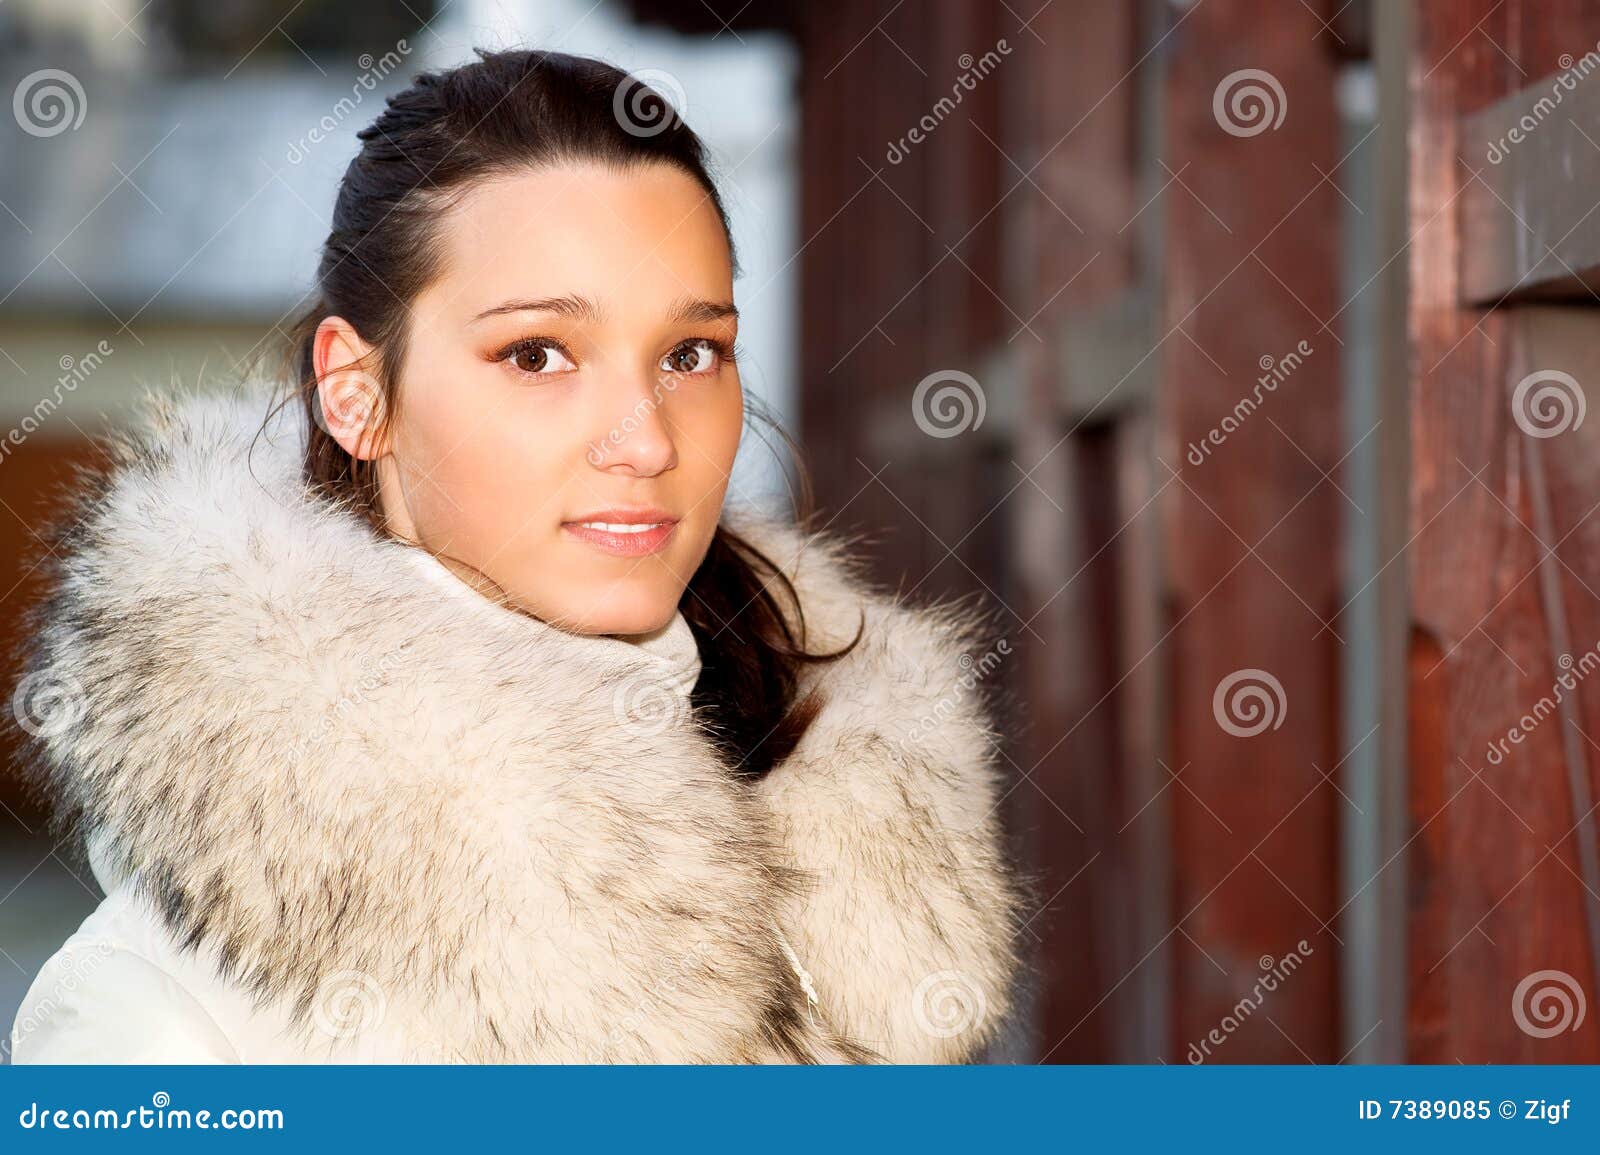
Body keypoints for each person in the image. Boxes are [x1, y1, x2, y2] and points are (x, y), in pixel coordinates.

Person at [8, 47, 1024, 1064]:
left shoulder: (836, 836)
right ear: (356, 392)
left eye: (690, 354)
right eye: (536, 354)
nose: (647, 442)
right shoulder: (160, 1017)